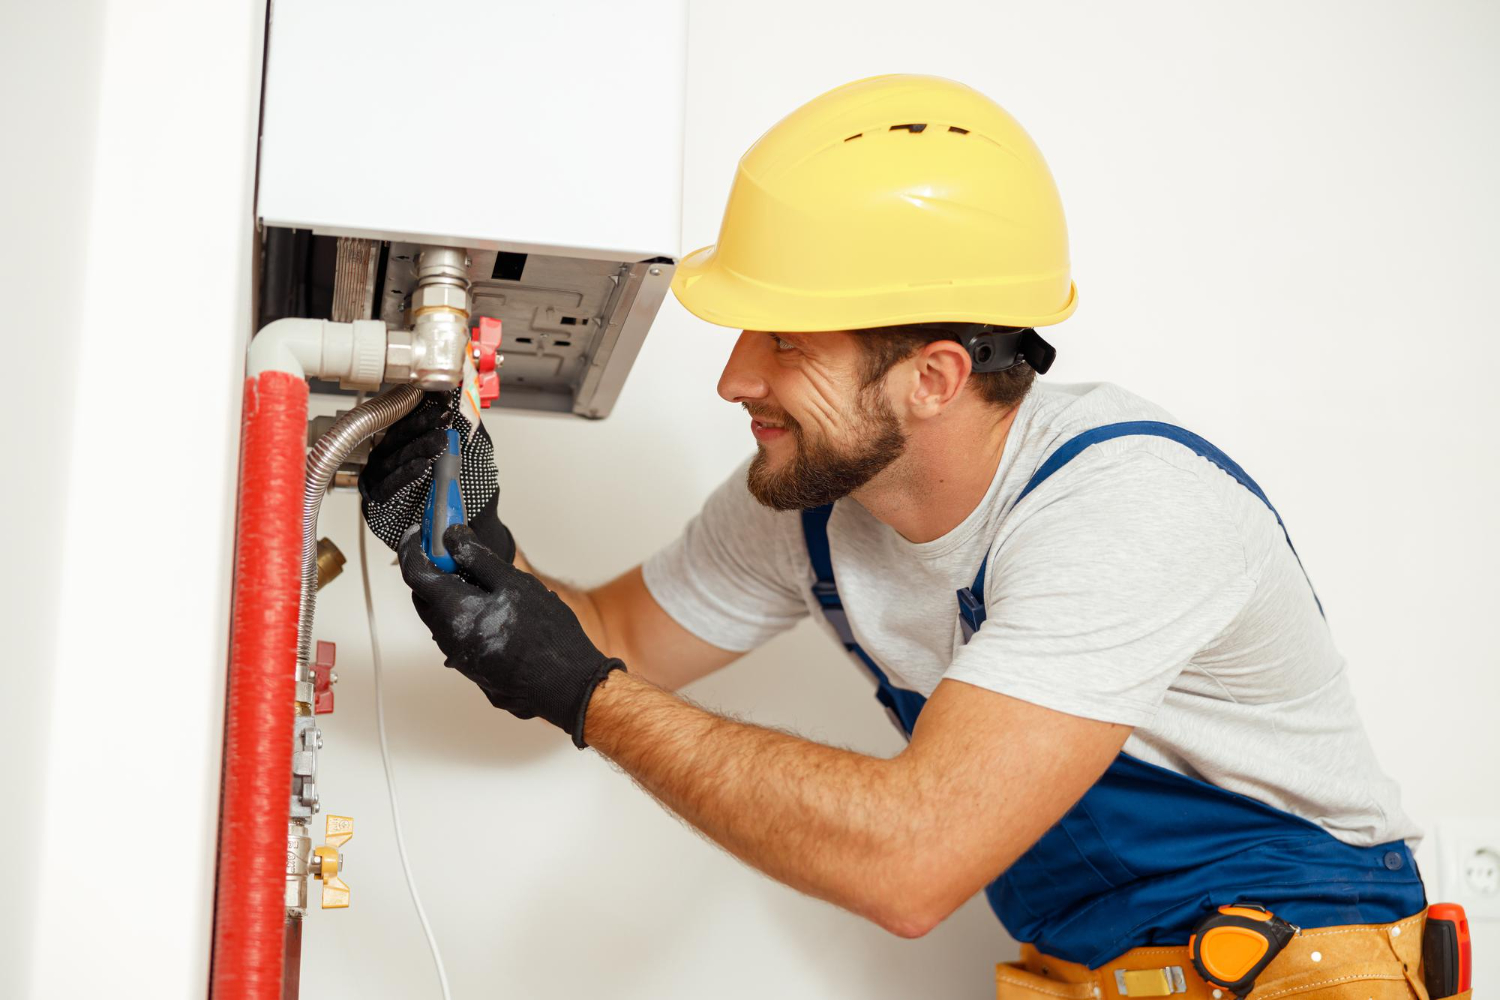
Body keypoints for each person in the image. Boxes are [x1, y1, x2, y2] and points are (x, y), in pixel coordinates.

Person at [360, 76, 1434, 999]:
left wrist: (592, 698)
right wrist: (464, 533)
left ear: (934, 376)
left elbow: (911, 862)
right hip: (1086, 972)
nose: (735, 378)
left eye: (784, 339)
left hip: (1298, 964)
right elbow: (605, 636)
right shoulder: (809, 496)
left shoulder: (1126, 506)